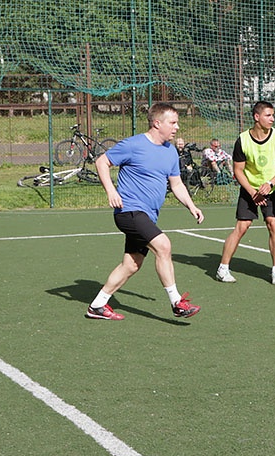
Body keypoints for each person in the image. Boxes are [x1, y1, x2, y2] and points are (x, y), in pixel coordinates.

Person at [86, 103, 203, 320]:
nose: (177, 127)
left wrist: (191, 206)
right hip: (129, 211)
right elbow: (102, 162)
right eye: (173, 122)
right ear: (157, 123)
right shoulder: (134, 144)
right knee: (163, 245)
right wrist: (111, 191)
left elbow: (176, 184)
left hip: (147, 215)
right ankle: (177, 302)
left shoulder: (170, 152)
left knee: (131, 264)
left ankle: (97, 306)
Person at [215, 101, 275, 285]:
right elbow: (238, 170)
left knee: (273, 224)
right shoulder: (243, 140)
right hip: (249, 189)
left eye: (273, 115)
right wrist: (253, 192)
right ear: (257, 117)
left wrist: (269, 184)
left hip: (272, 188)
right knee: (242, 226)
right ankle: (223, 268)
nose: (272, 119)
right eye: (268, 115)